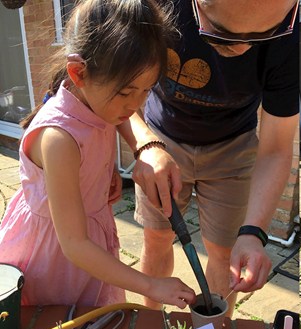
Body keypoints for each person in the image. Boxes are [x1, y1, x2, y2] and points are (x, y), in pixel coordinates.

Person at [0, 0, 196, 308]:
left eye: (147, 90)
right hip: (55, 259)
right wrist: (150, 285)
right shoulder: (59, 138)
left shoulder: (99, 105)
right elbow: (75, 244)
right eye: (127, 92)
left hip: (89, 245)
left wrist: (105, 173)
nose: (136, 106)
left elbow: (92, 144)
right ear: (78, 73)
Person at [117, 0, 299, 315]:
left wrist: (253, 232)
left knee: (224, 252)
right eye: (223, 36)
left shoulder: (291, 31)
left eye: (263, 37)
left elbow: (276, 148)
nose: (244, 49)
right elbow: (114, 89)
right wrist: (145, 144)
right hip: (162, 137)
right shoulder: (152, 5)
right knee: (157, 237)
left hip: (234, 145)